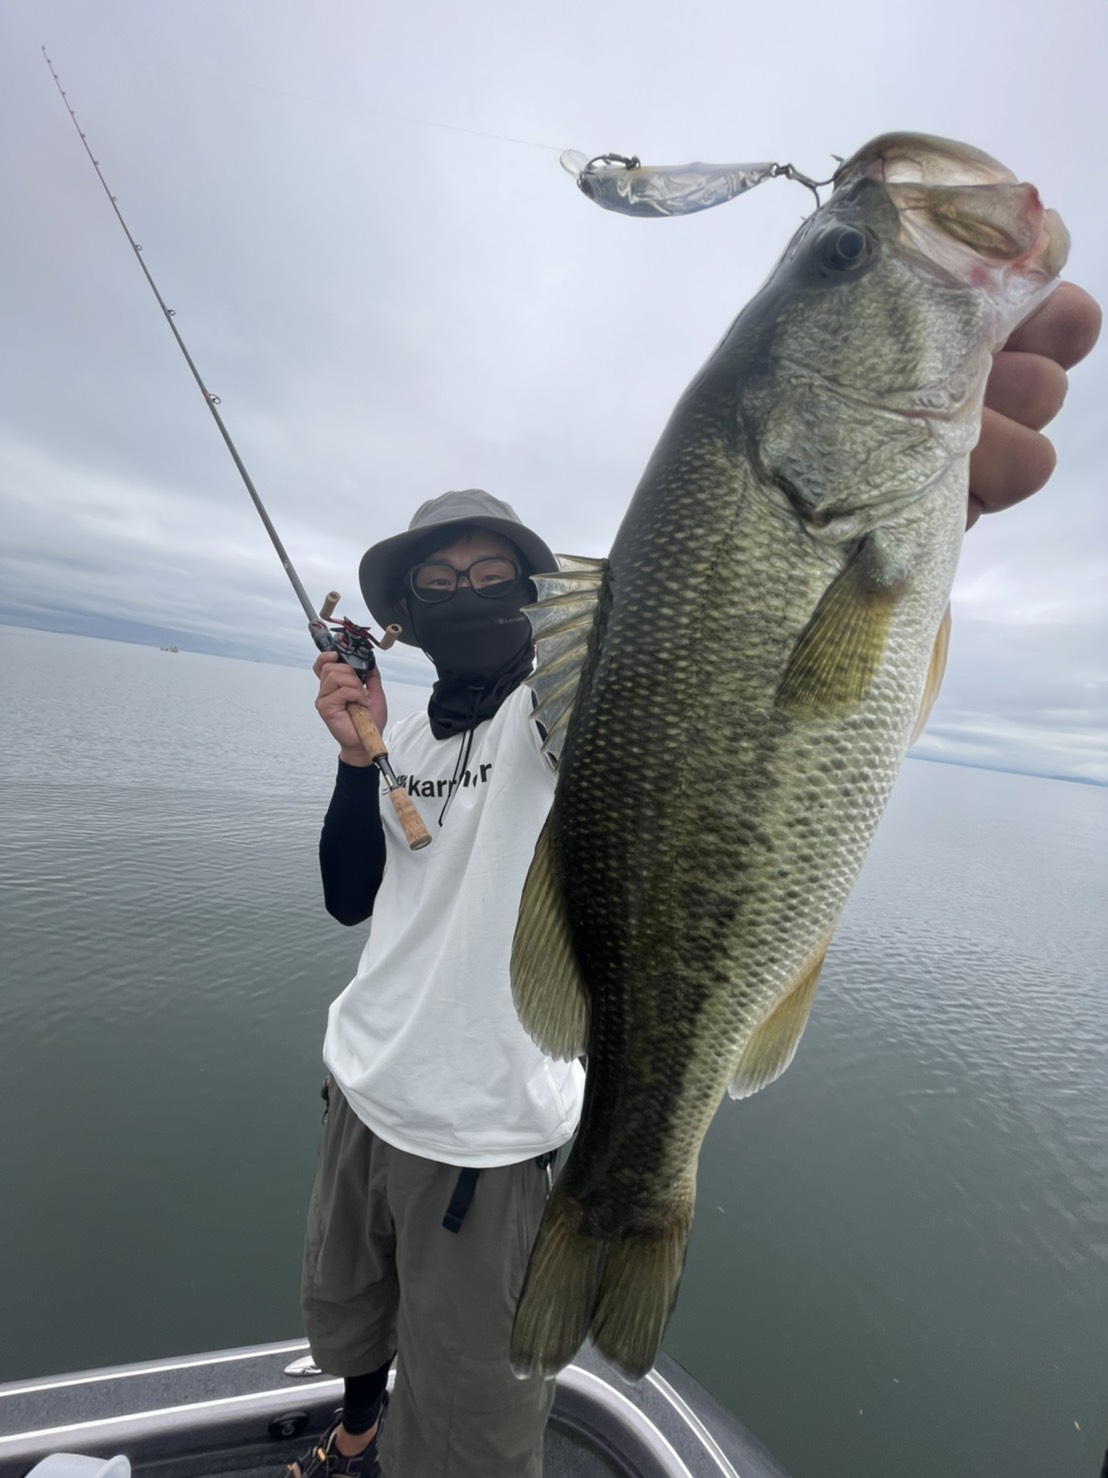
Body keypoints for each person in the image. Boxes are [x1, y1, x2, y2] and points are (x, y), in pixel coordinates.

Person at [289, 281, 1101, 1478]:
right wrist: (356, 760)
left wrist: (890, 512)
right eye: (437, 583)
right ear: (402, 613)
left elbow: (707, 682)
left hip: (480, 1147)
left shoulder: (558, 716)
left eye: (488, 574)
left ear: (533, 593)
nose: (465, 594)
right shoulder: (402, 735)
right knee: (352, 1314)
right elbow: (350, 895)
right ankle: (355, 1430)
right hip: (358, 1092)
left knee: (465, 1439)